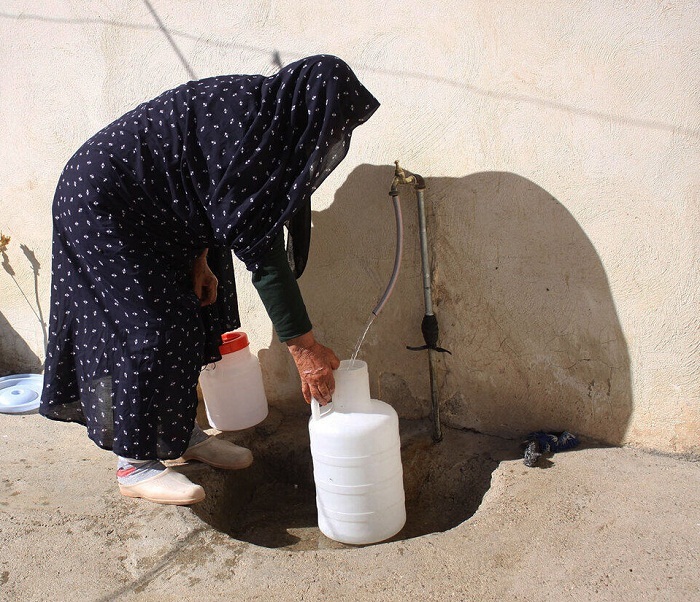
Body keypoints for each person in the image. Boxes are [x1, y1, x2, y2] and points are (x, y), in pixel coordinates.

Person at [40, 55, 380, 505]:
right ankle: (135, 464)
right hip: (102, 204)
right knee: (151, 330)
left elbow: (200, 181)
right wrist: (304, 349)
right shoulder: (250, 133)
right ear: (310, 110)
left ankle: (178, 437)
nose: (329, 140)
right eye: (329, 127)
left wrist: (200, 259)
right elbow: (265, 257)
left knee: (194, 315)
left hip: (158, 212)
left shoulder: (266, 116)